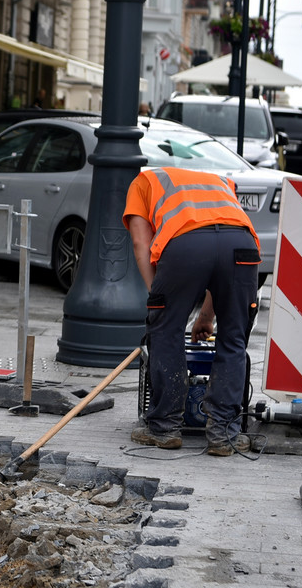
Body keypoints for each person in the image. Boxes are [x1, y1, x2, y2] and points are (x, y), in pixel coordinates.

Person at [125, 167, 261, 457]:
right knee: (234, 338)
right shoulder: (221, 182)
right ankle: (223, 435)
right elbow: (219, 247)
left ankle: (164, 428)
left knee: (165, 332)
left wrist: (158, 300)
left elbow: (140, 242)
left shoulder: (143, 181)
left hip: (185, 245)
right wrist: (206, 317)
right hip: (241, 245)